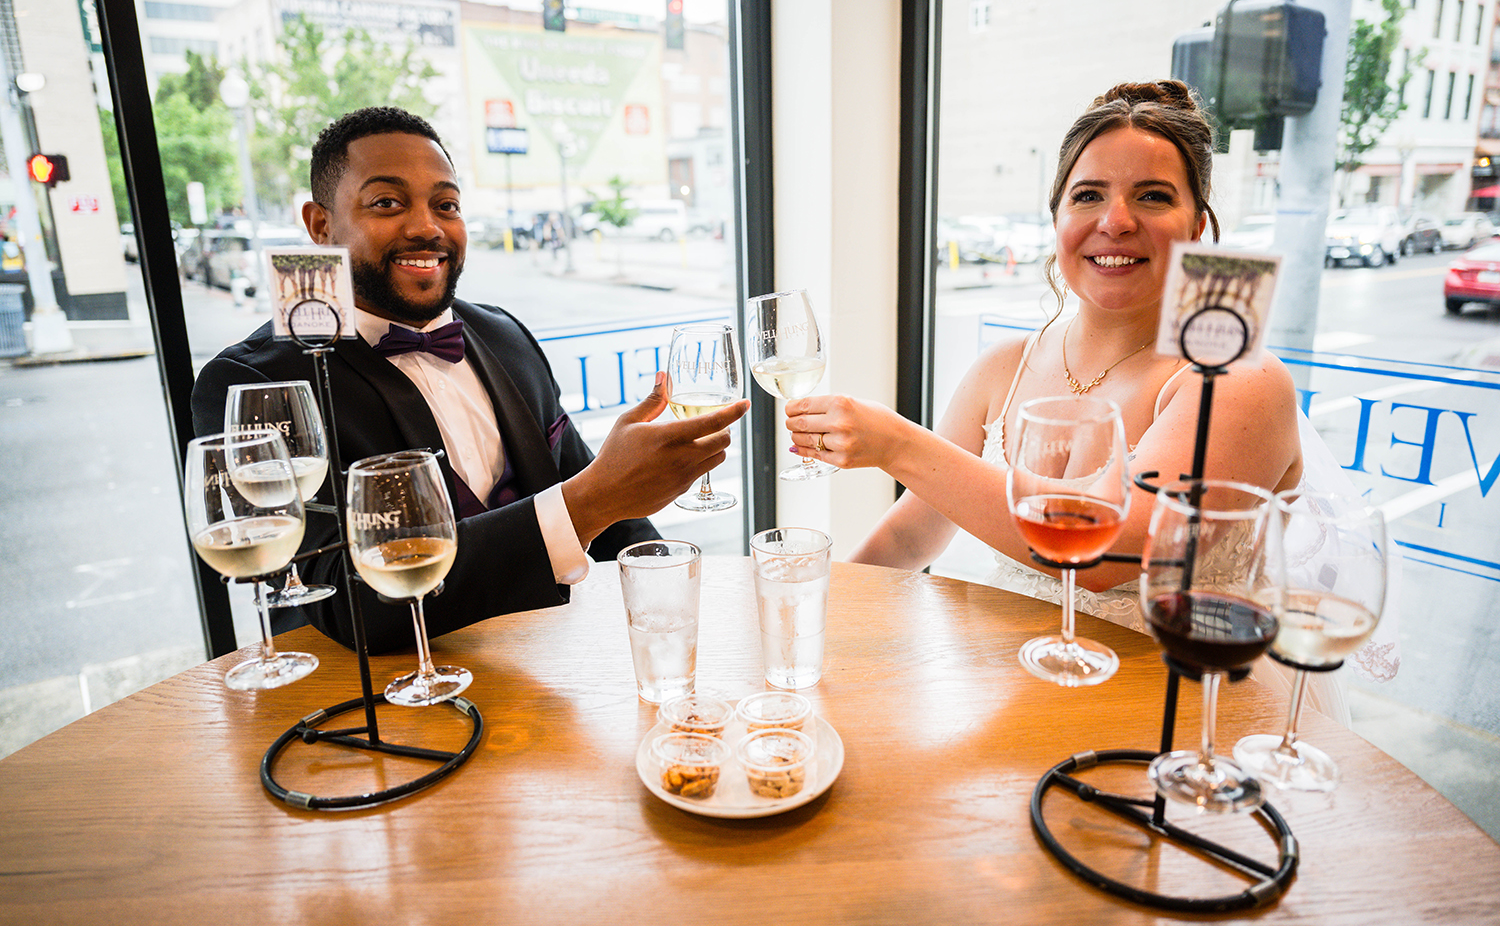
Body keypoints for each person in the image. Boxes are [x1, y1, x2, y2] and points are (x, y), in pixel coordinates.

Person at [782, 80, 1355, 718]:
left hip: (1180, 712)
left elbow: (1111, 553)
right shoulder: (1003, 366)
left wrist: (896, 443)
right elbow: (916, 528)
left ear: (1198, 226)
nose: (1115, 221)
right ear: (1057, 220)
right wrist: (817, 621)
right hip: (1014, 692)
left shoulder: (1235, 378)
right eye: (1088, 196)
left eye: (1153, 197)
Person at [192, 106, 747, 653]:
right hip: (380, 709)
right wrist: (588, 502)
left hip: (547, 673)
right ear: (320, 225)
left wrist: (680, 601)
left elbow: (594, 492)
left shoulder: (505, 335)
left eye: (446, 204)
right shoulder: (251, 384)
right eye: (386, 202)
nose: (426, 227)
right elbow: (344, 604)